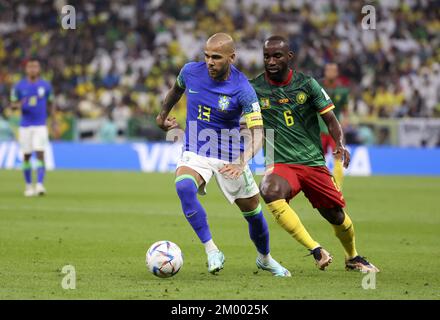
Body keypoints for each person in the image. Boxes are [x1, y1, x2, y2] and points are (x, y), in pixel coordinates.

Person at [156, 33, 290, 276]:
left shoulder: (243, 89)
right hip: (197, 149)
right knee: (184, 187)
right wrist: (162, 115)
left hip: (231, 155)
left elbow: (258, 133)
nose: (209, 62)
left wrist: (241, 162)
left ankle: (265, 258)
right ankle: (211, 250)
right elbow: (176, 90)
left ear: (231, 57)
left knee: (253, 213)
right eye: (206, 56)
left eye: (216, 57)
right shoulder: (190, 72)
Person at [250, 36, 379, 273]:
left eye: (277, 55)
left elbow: (331, 119)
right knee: (269, 189)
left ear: (289, 57)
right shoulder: (254, 88)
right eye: (266, 56)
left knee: (336, 216)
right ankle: (316, 249)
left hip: (312, 162)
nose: (271, 61)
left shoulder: (307, 84)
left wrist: (340, 143)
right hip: (281, 163)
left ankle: (353, 257)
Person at [9, 59, 55, 197]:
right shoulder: (19, 86)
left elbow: (51, 103)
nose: (33, 69)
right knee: (26, 156)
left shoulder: (45, 85)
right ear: (26, 69)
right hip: (25, 126)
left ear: (39, 69)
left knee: (41, 154)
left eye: (36, 67)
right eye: (31, 67)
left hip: (40, 125)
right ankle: (29, 186)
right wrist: (18, 105)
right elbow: (12, 105)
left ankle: (40, 185)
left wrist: (54, 121)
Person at [318, 63, 350, 189]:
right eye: (328, 70)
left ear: (337, 73)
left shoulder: (343, 90)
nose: (330, 72)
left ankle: (337, 188)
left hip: (334, 129)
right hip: (318, 129)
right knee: (318, 160)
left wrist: (346, 121)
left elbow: (345, 110)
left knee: (338, 156)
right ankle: (320, 186)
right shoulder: (317, 87)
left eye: (333, 70)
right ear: (325, 71)